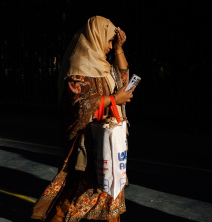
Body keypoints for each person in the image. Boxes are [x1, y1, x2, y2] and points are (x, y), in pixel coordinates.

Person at [30, 15, 136, 222]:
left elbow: (123, 77)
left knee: (108, 187)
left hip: (108, 140)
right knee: (80, 192)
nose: (108, 46)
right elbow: (81, 104)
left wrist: (118, 49)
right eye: (108, 41)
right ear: (96, 37)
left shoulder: (103, 66)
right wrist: (115, 98)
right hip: (88, 142)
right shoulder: (79, 66)